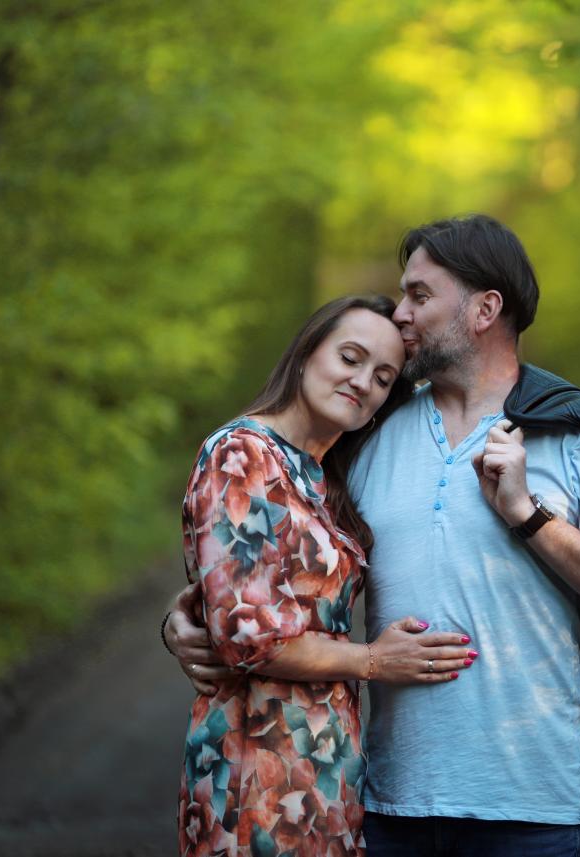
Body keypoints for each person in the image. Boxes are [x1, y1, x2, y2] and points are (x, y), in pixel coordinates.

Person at [167, 215, 580, 856]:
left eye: (419, 295)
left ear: (484, 310)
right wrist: (185, 617)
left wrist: (529, 515)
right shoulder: (366, 433)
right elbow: (273, 564)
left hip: (532, 810)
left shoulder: (571, 437)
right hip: (388, 808)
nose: (401, 313)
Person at [173, 294, 479, 857]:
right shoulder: (241, 455)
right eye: (350, 357)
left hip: (325, 771)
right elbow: (250, 634)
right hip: (256, 768)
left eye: (383, 377)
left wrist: (181, 614)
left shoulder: (321, 475)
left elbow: (234, 589)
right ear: (306, 354)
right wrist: (374, 660)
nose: (363, 382)